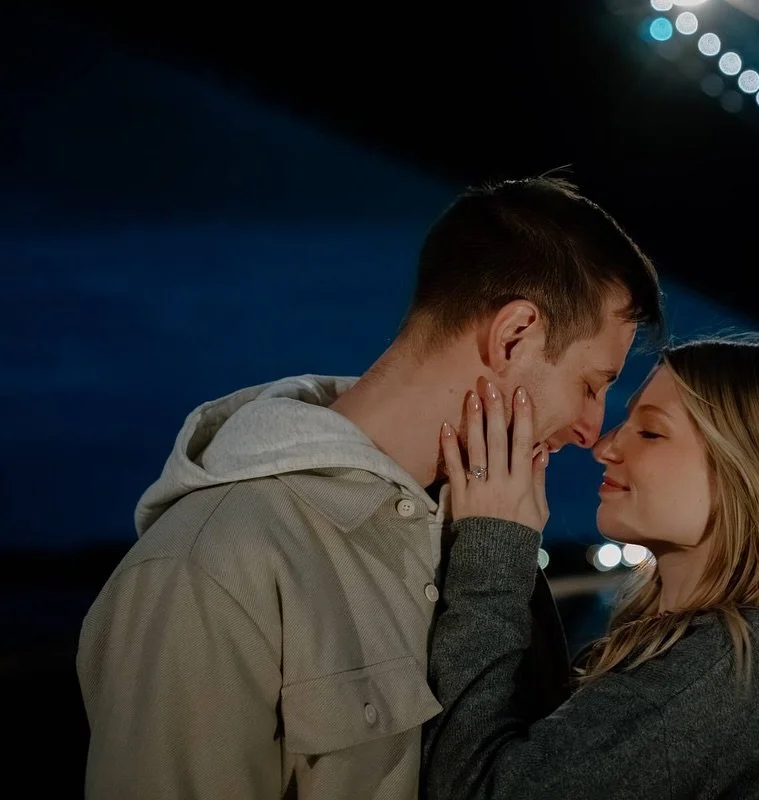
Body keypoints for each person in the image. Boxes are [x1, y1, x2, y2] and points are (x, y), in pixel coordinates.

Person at [75, 176, 663, 800]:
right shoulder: (210, 564)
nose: (590, 430)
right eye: (592, 385)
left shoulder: (488, 536)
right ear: (512, 335)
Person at [425, 336, 759, 799]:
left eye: (650, 432)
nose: (604, 448)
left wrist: (493, 545)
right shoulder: (699, 646)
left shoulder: (727, 665)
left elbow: (481, 791)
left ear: (746, 475)